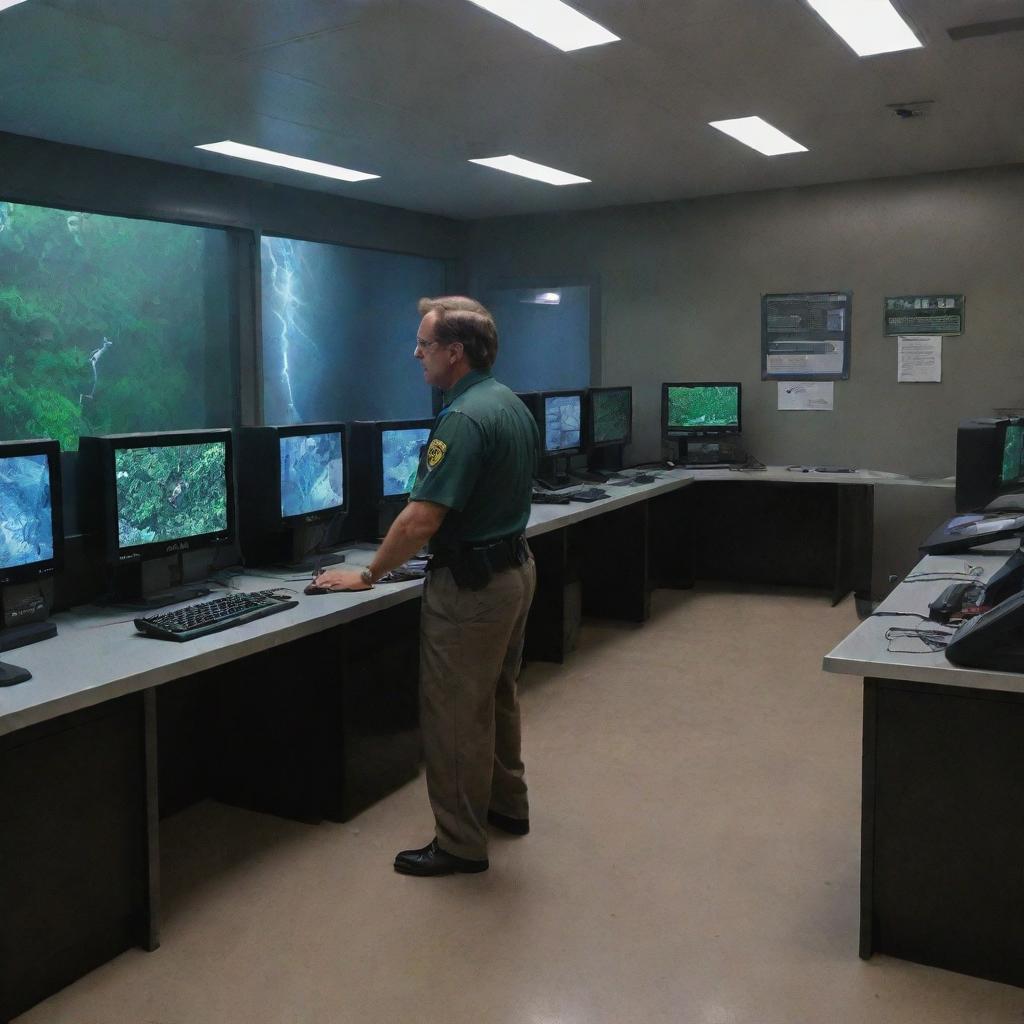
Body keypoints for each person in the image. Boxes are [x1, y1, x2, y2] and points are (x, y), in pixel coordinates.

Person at [314, 296, 539, 876]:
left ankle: (461, 843)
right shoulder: (509, 403)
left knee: (456, 715)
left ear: (454, 352)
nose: (417, 354)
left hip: (472, 588)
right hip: (514, 570)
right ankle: (507, 806)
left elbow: (421, 518)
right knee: (498, 696)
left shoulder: (460, 419)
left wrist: (366, 574)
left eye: (425, 344)